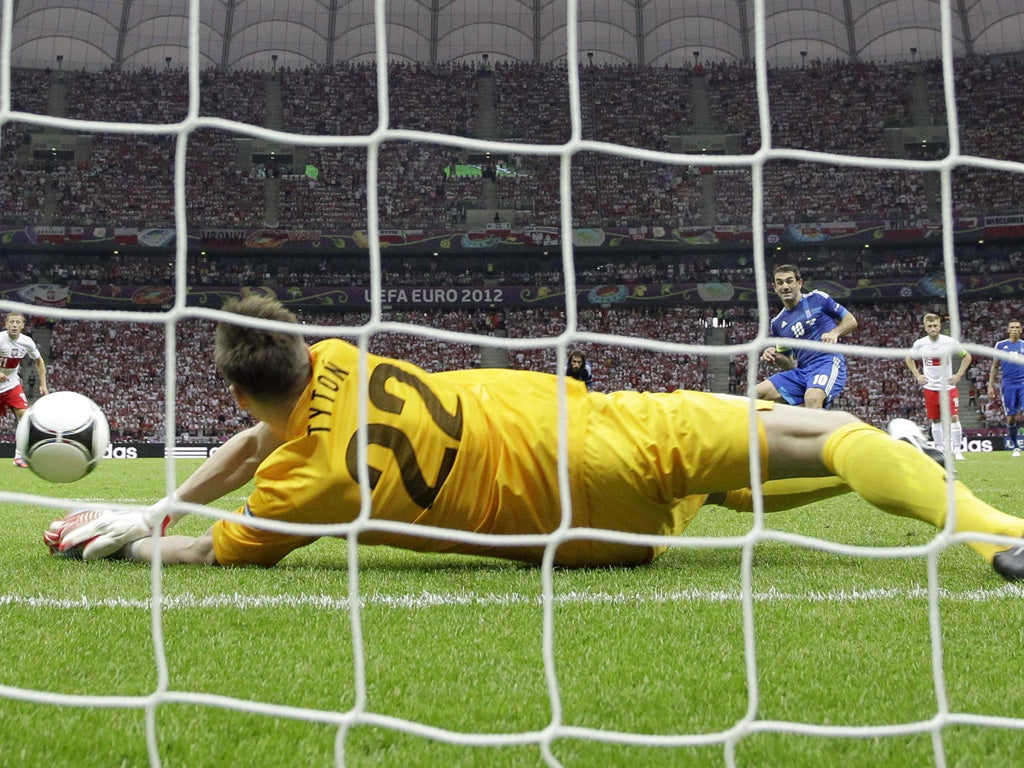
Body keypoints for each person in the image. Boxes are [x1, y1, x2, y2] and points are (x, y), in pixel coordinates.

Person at [47, 295, 1024, 583]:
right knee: (835, 433)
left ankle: (909, 470)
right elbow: (254, 442)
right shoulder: (339, 356)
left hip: (598, 539)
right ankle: (990, 529)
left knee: (733, 489)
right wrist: (158, 512)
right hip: (608, 436)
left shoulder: (300, 487)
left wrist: (137, 531)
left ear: (238, 391)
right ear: (301, 348)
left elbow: (222, 533)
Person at [755, 265, 858, 409]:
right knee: (755, 394)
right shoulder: (777, 324)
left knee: (812, 397)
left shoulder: (817, 298)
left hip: (827, 362)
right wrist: (776, 356)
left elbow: (851, 321)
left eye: (789, 281)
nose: (785, 286)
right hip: (801, 373)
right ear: (774, 287)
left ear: (799, 283)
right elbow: (789, 364)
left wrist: (835, 332)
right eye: (780, 283)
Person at [904, 312, 971, 461]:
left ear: (940, 326)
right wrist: (917, 375)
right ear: (925, 328)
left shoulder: (949, 342)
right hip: (930, 388)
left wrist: (959, 375)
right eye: (930, 326)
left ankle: (957, 450)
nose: (933, 328)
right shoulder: (920, 344)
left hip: (948, 387)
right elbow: (909, 358)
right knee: (935, 420)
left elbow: (967, 356)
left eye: (935, 325)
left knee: (954, 417)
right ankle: (940, 450)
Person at [0, 311, 49, 467]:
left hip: (11, 384)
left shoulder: (27, 342)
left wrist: (43, 384)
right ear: (6, 324)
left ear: (23, 326)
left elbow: (39, 361)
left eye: (17, 322)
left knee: (25, 418)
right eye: (11, 322)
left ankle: (19, 457)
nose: (14, 325)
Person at [987, 320, 1024, 457]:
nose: (1015, 329)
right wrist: (990, 385)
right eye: (1012, 327)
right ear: (1008, 330)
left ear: (1021, 330)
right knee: (1011, 419)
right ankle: (1015, 446)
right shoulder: (1001, 345)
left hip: (1023, 383)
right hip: (1008, 385)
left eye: (1017, 327)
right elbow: (995, 366)